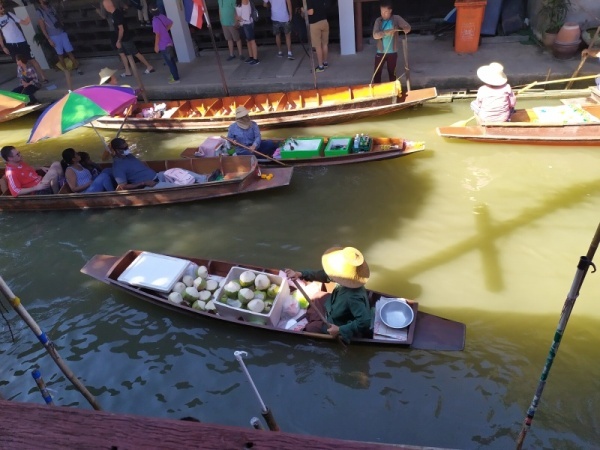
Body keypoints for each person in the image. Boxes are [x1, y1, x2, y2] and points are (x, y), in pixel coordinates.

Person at [284, 246, 373, 344]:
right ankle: (316, 319)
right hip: (334, 306)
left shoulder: (353, 297)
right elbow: (323, 275)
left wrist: (339, 329)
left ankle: (317, 323)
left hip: (339, 322)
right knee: (317, 297)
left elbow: (364, 322)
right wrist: (300, 274)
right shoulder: (343, 278)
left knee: (311, 328)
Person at [108, 138, 215, 190]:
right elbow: (123, 186)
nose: (127, 149)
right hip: (148, 185)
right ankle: (198, 188)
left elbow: (141, 166)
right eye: (124, 148)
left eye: (127, 147)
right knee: (177, 187)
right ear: (117, 150)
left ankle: (204, 179)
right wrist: (143, 183)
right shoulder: (118, 167)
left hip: (157, 176)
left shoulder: (129, 156)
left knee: (178, 171)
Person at [103, 0, 154, 77]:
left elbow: (121, 29)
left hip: (125, 38)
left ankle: (149, 66)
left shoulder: (117, 14)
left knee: (135, 52)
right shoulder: (113, 14)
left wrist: (118, 40)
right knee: (123, 54)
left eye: (105, 6)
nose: (105, 8)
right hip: (120, 38)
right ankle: (127, 71)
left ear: (108, 5)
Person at [0, 4, 48, 83]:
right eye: (0, 8)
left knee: (32, 59)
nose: (2, 9)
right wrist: (3, 47)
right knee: (20, 64)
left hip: (21, 41)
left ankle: (43, 77)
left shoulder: (9, 14)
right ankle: (27, 80)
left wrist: (29, 15)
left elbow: (25, 22)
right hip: (11, 45)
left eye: (2, 7)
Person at [36, 0, 83, 75]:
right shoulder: (40, 11)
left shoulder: (51, 7)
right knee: (60, 54)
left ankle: (77, 67)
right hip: (53, 35)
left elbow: (58, 17)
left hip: (62, 32)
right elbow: (42, 27)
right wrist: (49, 39)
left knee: (69, 51)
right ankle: (66, 71)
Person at [372, 0, 410, 84]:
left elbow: (407, 27)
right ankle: (376, 88)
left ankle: (393, 89)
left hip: (392, 52)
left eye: (385, 12)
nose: (383, 14)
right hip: (380, 51)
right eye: (381, 12)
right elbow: (375, 35)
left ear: (390, 11)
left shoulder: (396, 18)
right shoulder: (378, 20)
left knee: (392, 73)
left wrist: (405, 28)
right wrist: (386, 32)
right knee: (377, 72)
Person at [150, 5, 179, 84]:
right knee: (171, 61)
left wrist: (156, 46)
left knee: (170, 62)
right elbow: (171, 23)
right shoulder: (161, 16)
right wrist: (165, 30)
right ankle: (174, 74)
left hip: (163, 45)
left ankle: (176, 78)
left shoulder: (155, 21)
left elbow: (157, 35)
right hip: (168, 41)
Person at [304, 0, 329, 72]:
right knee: (325, 44)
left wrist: (303, 10)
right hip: (324, 21)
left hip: (315, 24)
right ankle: (325, 62)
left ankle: (320, 67)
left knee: (318, 46)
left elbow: (311, 12)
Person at [235, 0, 259, 66]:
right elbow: (236, 12)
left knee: (252, 41)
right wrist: (237, 19)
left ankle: (255, 59)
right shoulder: (237, 2)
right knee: (247, 41)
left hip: (248, 23)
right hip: (241, 23)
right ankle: (251, 56)